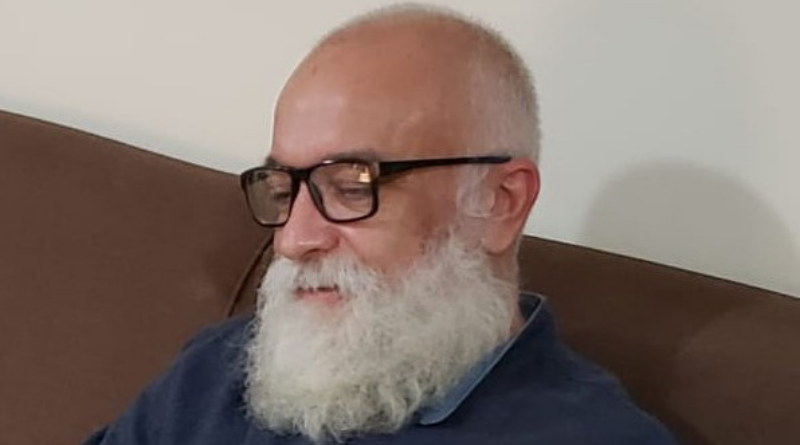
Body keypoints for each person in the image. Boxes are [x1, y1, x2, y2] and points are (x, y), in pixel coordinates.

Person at [84, 4, 679, 445]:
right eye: (283, 189)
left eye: (351, 186)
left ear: (499, 202)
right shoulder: (222, 368)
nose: (293, 240)